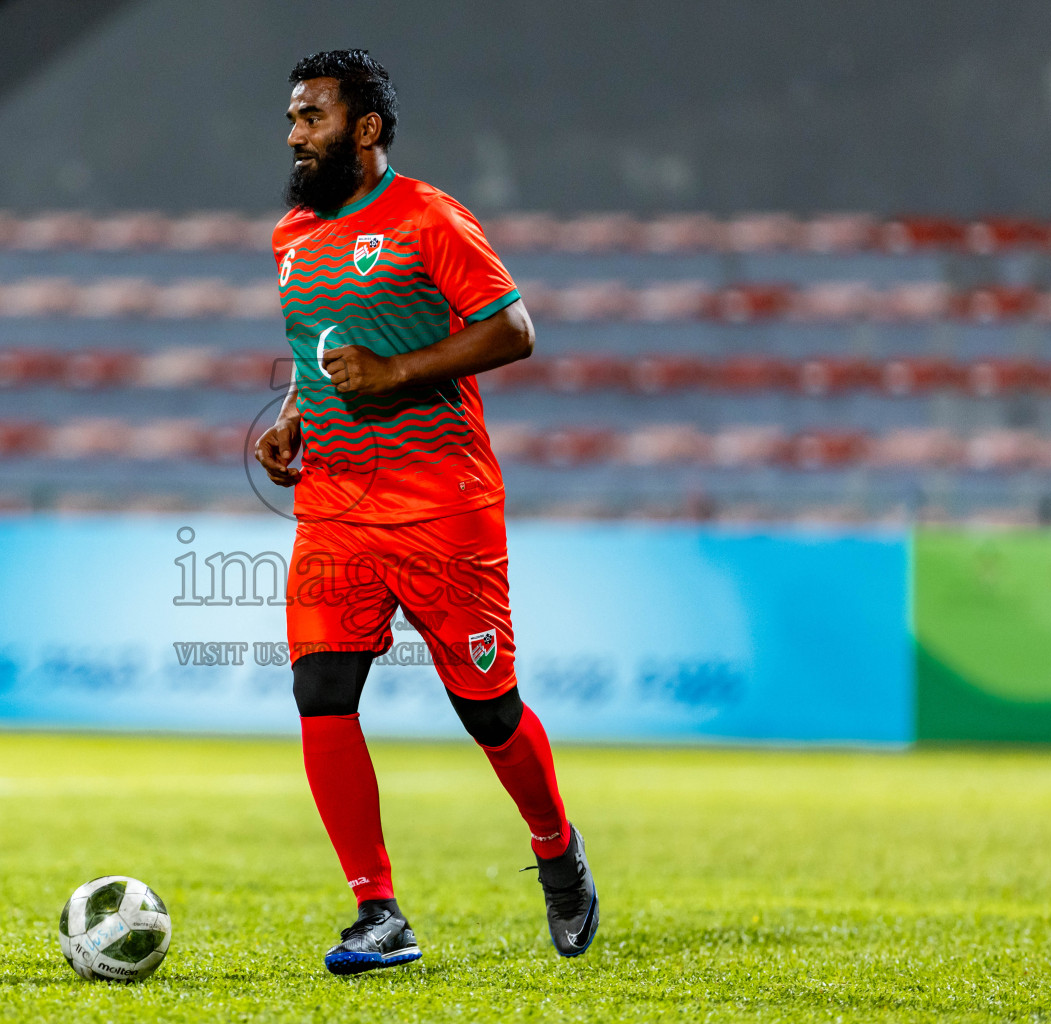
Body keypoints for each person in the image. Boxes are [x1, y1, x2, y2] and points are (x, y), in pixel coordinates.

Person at [254, 50, 599, 975]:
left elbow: (515, 329)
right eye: (292, 117)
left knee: (488, 712)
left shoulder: (427, 217)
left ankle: (556, 849)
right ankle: (377, 910)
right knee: (320, 695)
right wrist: (292, 421)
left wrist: (398, 373)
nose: (295, 134)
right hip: (336, 509)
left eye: (312, 118)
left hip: (443, 507)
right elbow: (317, 349)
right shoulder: (291, 234)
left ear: (364, 129)